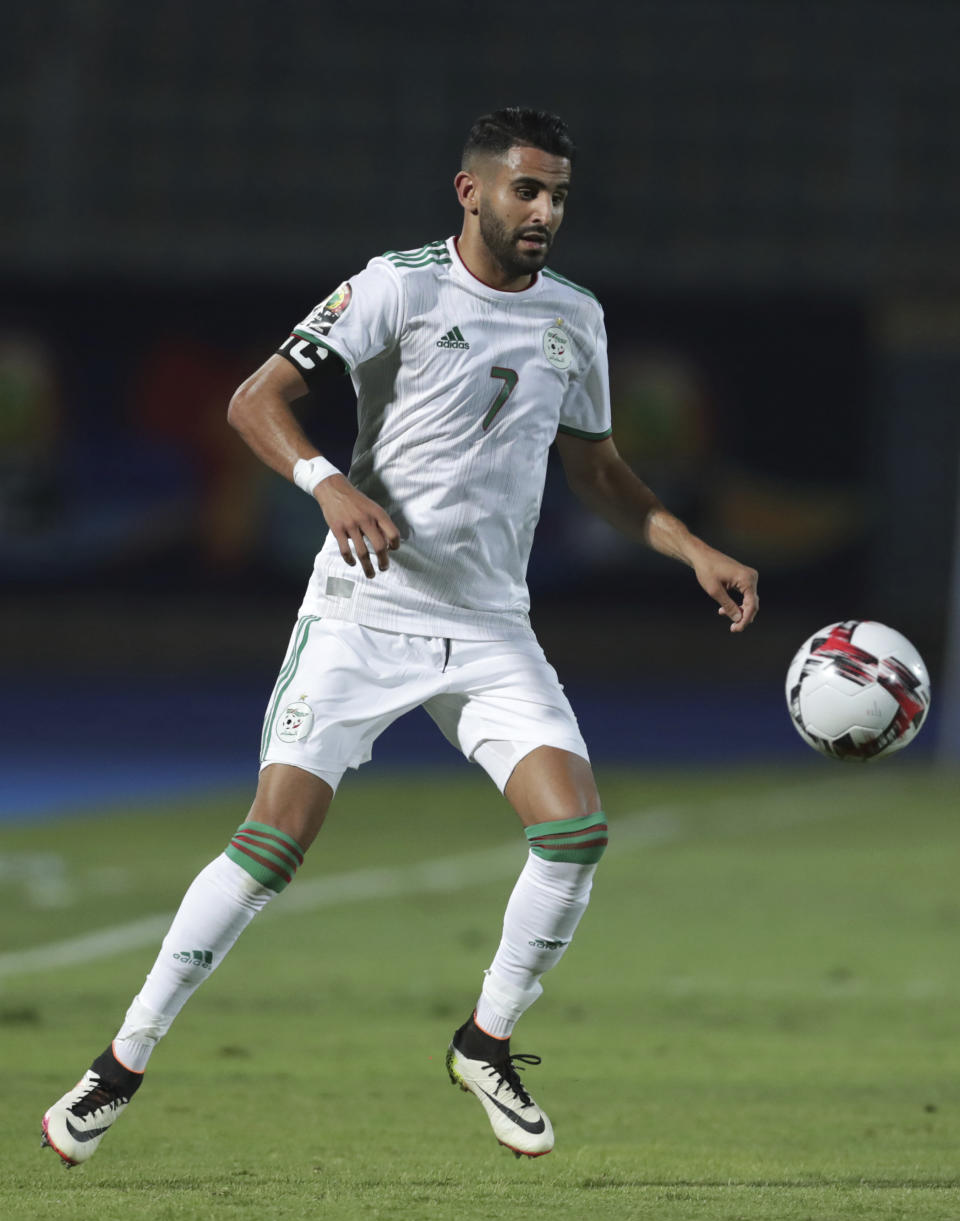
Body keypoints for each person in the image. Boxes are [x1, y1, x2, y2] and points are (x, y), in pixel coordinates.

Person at [42, 107, 758, 1165]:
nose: (546, 211)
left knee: (573, 834)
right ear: (471, 191)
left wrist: (691, 545)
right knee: (274, 840)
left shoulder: (575, 317)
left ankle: (486, 1038)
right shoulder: (399, 284)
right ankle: (122, 1061)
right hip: (363, 610)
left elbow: (599, 468)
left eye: (559, 193)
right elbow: (254, 402)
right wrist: (326, 483)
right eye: (527, 190)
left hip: (486, 625)